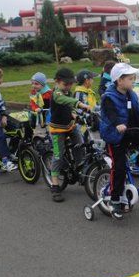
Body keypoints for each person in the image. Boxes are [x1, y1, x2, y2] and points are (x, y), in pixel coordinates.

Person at [100, 63, 139, 219]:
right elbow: (110, 113)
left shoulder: (131, 94)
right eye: (131, 79)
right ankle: (115, 200)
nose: (133, 81)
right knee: (119, 168)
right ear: (119, 80)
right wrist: (117, 124)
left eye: (133, 78)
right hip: (115, 134)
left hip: (129, 131)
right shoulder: (109, 96)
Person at [48, 68, 91, 202]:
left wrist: (74, 114)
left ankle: (79, 169)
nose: (68, 87)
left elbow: (69, 107)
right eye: (65, 84)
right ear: (56, 82)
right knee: (58, 155)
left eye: (70, 84)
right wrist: (80, 104)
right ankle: (55, 184)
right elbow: (66, 101)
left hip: (70, 126)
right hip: (57, 129)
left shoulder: (68, 92)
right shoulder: (57, 94)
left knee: (80, 145)